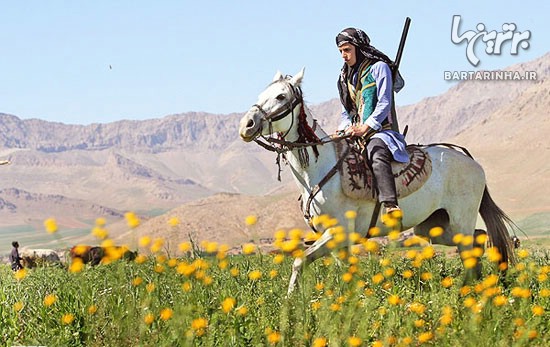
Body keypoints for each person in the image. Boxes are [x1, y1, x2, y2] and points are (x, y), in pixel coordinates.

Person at [335, 27, 408, 215]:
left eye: (347, 50)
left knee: (376, 153)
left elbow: (384, 103)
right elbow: (346, 112)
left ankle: (390, 204)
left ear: (358, 48)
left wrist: (366, 127)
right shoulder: (344, 78)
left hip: (381, 131)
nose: (344, 55)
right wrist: (343, 130)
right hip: (355, 132)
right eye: (341, 51)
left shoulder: (379, 68)